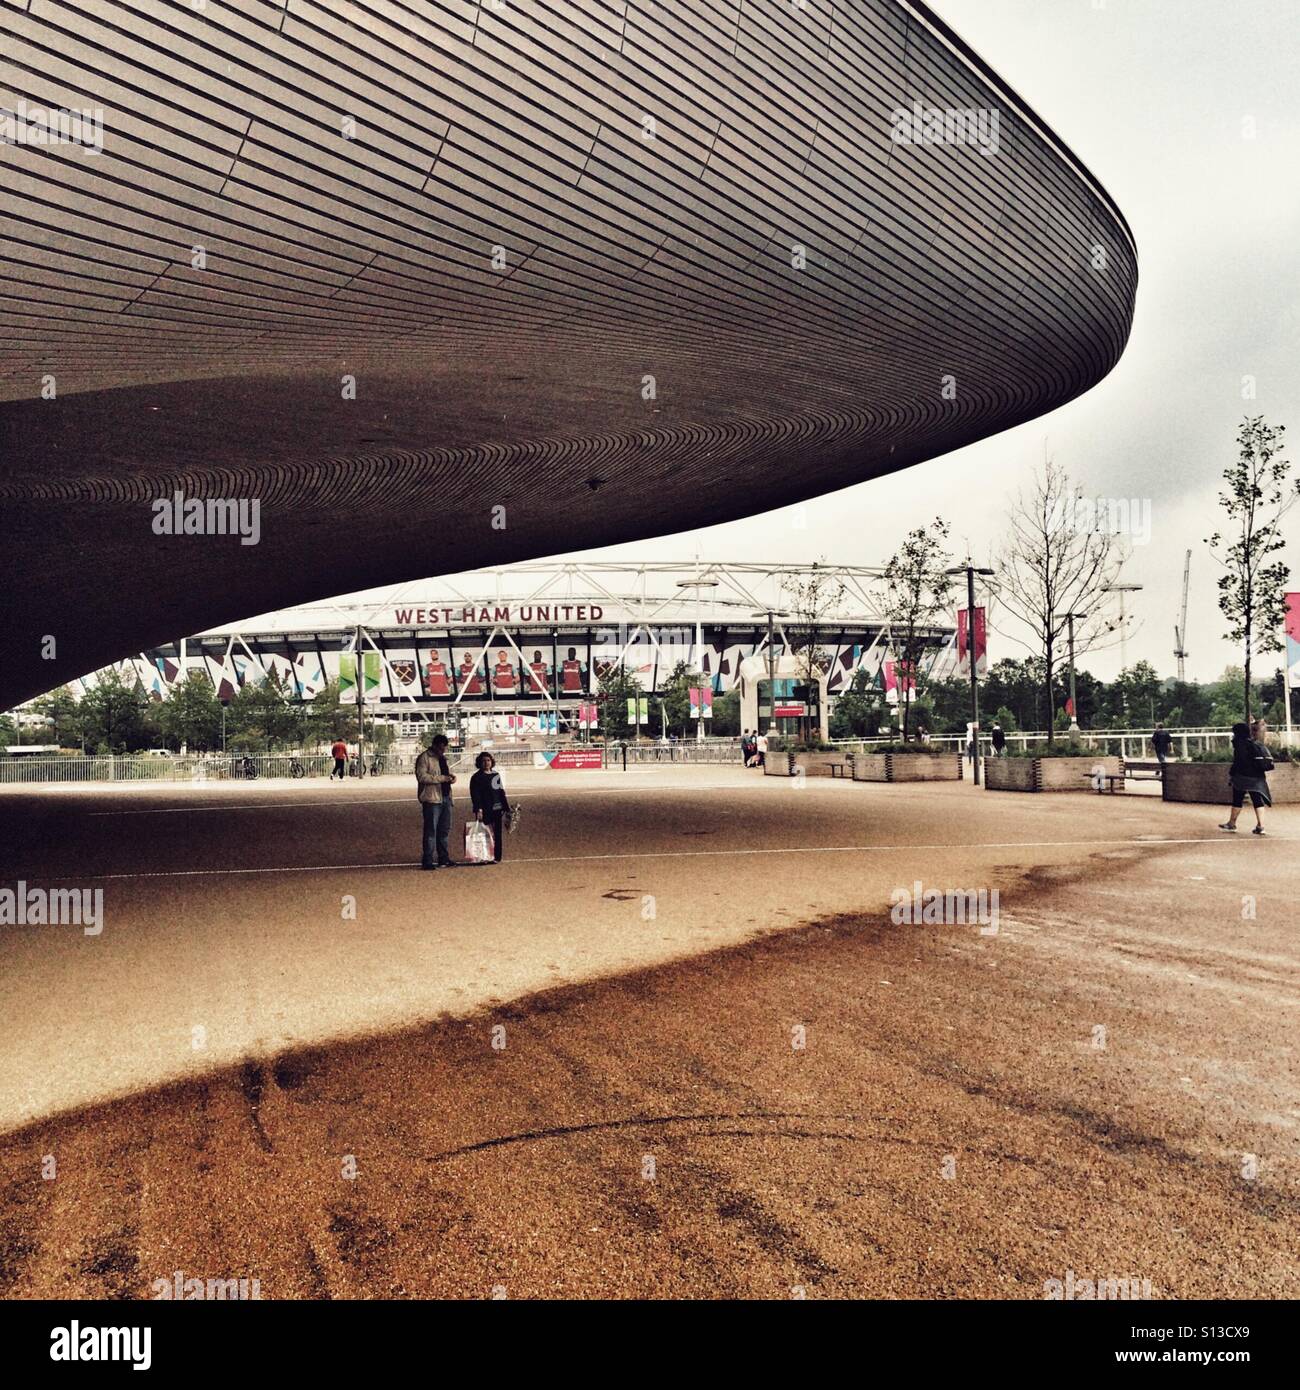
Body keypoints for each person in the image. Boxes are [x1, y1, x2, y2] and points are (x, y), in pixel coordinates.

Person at [1219, 721, 1273, 836]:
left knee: (1237, 799)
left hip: (1242, 777)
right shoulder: (1253, 743)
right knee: (1257, 800)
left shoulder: (1240, 744)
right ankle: (1261, 826)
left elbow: (1239, 761)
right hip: (1258, 776)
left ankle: (1232, 823)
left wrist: (1233, 772)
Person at [415, 733, 458, 868]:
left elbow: (445, 775)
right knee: (431, 831)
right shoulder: (424, 758)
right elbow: (422, 777)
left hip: (445, 797)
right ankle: (427, 860)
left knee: (444, 830)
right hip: (431, 799)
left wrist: (451, 778)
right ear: (434, 746)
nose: (442, 750)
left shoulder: (443, 759)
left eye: (444, 748)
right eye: (440, 748)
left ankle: (443, 858)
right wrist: (442, 778)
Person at [470, 751, 511, 863]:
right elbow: (475, 795)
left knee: (497, 834)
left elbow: (501, 792)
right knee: (484, 834)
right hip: (484, 809)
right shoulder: (476, 777)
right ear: (479, 763)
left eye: (488, 760)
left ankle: (497, 857)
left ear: (492, 762)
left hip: (497, 809)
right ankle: (484, 856)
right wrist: (478, 809)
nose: (486, 763)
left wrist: (507, 808)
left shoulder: (495, 775)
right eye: (483, 761)